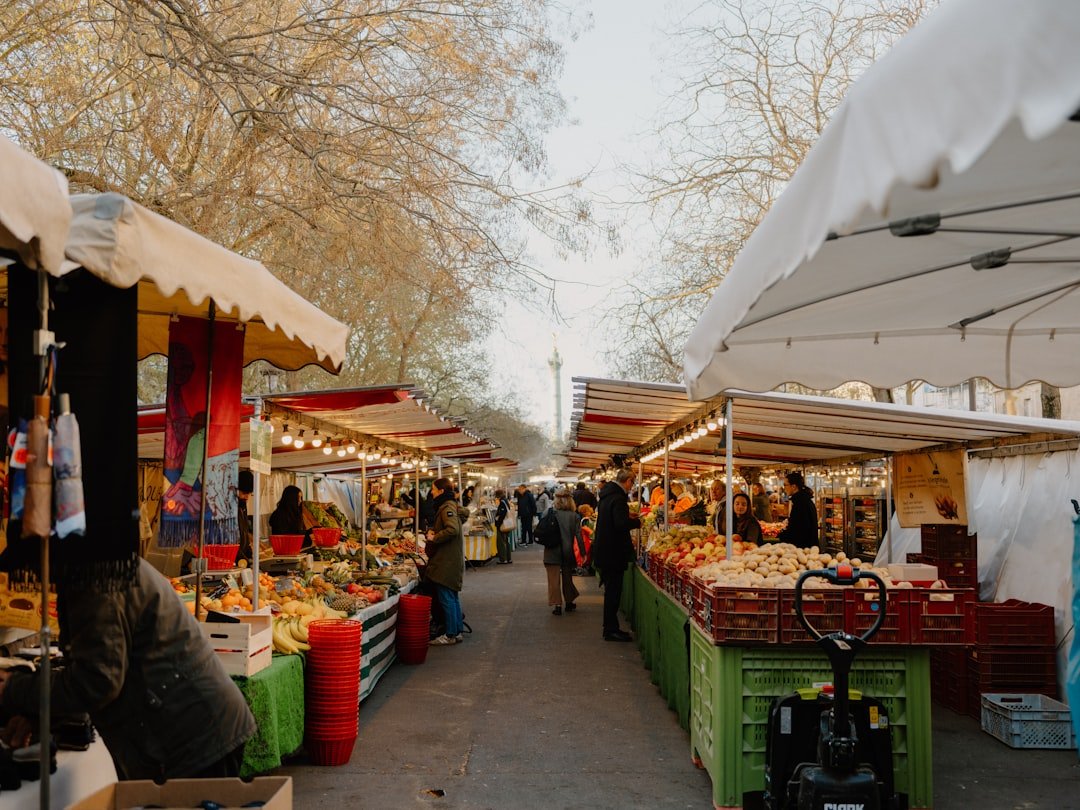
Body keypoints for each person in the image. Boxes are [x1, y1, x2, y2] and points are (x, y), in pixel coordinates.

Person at [0, 558, 256, 780]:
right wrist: (38, 713)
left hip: (190, 739)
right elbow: (101, 665)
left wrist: (13, 688)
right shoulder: (100, 568)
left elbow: (98, 681)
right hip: (189, 729)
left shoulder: (95, 578)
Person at [592, 469, 640, 642]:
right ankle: (611, 629)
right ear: (627, 481)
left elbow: (613, 519)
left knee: (610, 592)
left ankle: (610, 627)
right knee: (613, 593)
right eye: (632, 483)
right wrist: (636, 522)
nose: (632, 486)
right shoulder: (618, 498)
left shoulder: (607, 496)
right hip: (613, 553)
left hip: (605, 551)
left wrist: (627, 515)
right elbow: (620, 524)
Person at [426, 477, 465, 645]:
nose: (432, 492)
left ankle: (449, 634)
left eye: (433, 489)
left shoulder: (446, 508)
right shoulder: (451, 506)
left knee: (446, 598)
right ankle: (456, 631)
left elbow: (452, 529)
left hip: (446, 560)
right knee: (452, 596)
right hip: (451, 559)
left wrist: (434, 537)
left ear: (441, 491)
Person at [546, 488, 587, 615]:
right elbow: (579, 535)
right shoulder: (574, 516)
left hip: (551, 551)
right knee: (567, 577)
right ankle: (569, 603)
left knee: (553, 580)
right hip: (567, 551)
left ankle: (557, 605)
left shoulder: (550, 513)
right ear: (571, 501)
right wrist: (583, 552)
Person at [778, 471, 818, 549]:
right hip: (808, 547)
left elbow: (798, 529)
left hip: (803, 548)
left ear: (794, 486)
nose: (784, 488)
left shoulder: (800, 503)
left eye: (785, 485)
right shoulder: (804, 500)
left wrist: (783, 535)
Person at [235, 469, 254, 565]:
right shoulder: (228, 509)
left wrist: (250, 555)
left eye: (249, 493)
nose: (247, 497)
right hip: (233, 559)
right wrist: (242, 558)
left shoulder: (242, 508)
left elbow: (244, 533)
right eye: (244, 493)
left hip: (241, 559)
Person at [493, 488, 513, 565]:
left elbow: (502, 514)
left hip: (503, 525)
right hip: (507, 524)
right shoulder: (506, 501)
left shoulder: (502, 502)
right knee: (506, 541)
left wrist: (498, 523)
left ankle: (503, 559)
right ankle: (508, 558)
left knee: (501, 542)